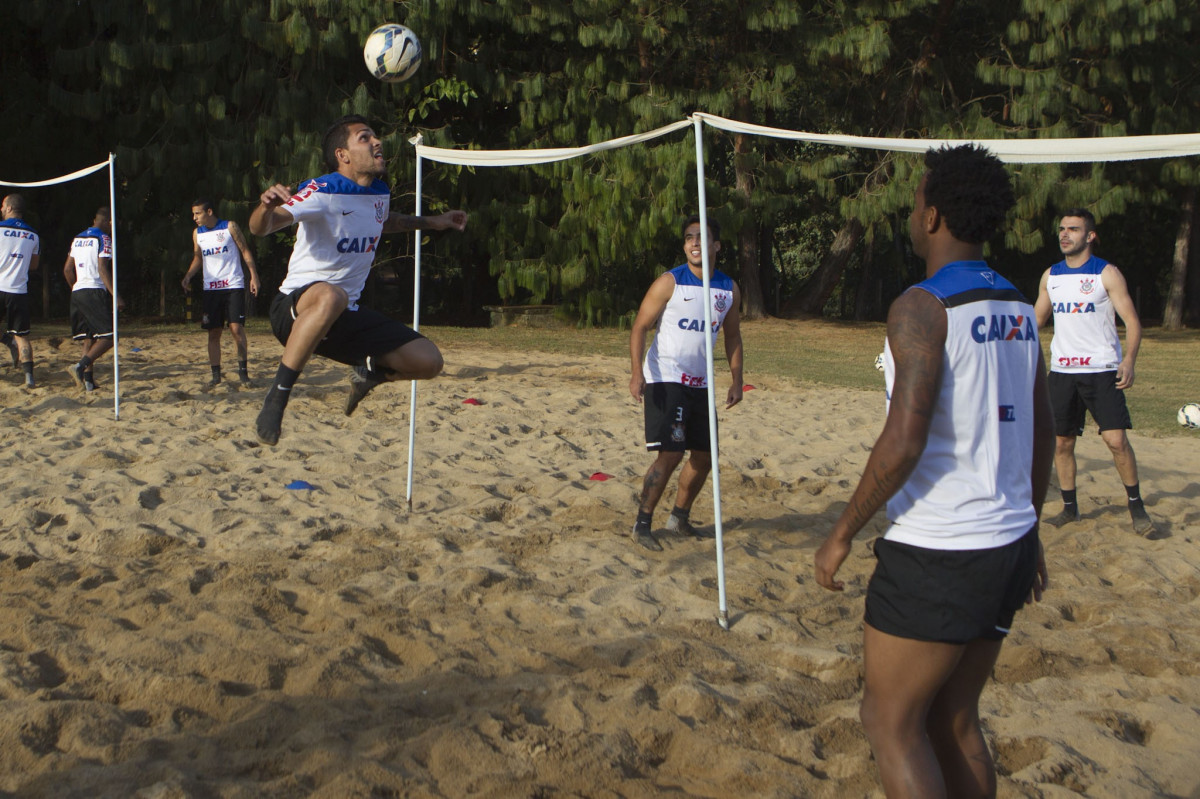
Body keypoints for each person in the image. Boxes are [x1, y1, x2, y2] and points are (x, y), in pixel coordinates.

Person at [814, 144, 1055, 798]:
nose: (912, 207)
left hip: (940, 549)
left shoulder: (921, 307)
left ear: (933, 216)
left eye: (918, 198)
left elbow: (904, 440)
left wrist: (841, 532)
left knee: (889, 721)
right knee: (953, 721)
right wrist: (1029, 530)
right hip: (1005, 544)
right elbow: (1041, 430)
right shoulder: (1015, 306)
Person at [248, 114, 467, 446]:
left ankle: (369, 372)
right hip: (294, 311)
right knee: (332, 296)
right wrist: (265, 208)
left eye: (375, 136)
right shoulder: (322, 190)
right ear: (343, 155)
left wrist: (434, 222)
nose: (377, 141)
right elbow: (260, 228)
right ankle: (277, 396)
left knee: (429, 361)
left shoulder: (378, 192)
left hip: (342, 317)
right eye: (365, 138)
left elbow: (384, 221)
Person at [1034, 209, 1159, 537]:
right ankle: (1069, 509)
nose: (1064, 234)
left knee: (1116, 441)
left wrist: (1128, 360)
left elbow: (1132, 321)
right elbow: (1036, 320)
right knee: (1061, 443)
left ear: (1090, 236)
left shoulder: (1107, 274)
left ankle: (1137, 507)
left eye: (1073, 229)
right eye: (1061, 228)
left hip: (1102, 370)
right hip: (1062, 372)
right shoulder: (1051, 276)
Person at [628, 215, 743, 551]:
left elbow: (733, 336)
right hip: (666, 377)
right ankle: (643, 523)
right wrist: (637, 373)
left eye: (702, 237)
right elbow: (639, 327)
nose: (694, 243)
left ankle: (679, 518)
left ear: (716, 246)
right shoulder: (669, 282)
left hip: (702, 383)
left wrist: (737, 380)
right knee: (671, 453)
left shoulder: (728, 288)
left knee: (705, 457)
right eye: (689, 238)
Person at [181, 198, 262, 385]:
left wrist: (254, 276)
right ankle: (216, 375)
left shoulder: (229, 227)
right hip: (211, 288)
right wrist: (188, 276)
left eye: (198, 213)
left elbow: (245, 251)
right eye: (193, 214)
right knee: (213, 332)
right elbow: (198, 258)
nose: (194, 217)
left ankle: (243, 372)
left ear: (209, 212)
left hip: (233, 284)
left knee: (236, 328)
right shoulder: (197, 234)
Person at [64, 207, 123, 391]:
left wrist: (75, 288)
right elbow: (102, 268)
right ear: (109, 222)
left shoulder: (78, 238)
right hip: (93, 290)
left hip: (78, 290)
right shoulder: (104, 238)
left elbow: (67, 269)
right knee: (109, 336)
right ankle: (80, 367)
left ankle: (88, 381)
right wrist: (116, 295)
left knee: (89, 338)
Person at [0, 194, 41, 387]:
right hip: (18, 290)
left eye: (2, 206)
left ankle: (8, 341)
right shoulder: (33, 235)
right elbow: (33, 266)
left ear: (8, 208)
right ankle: (29, 377)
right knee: (22, 335)